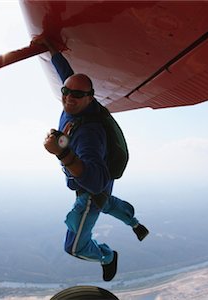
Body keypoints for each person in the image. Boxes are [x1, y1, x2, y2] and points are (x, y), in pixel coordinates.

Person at [33, 36, 149, 282]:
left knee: (74, 246)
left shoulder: (88, 133)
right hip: (105, 179)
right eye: (66, 92)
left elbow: (94, 182)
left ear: (89, 97)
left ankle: (107, 256)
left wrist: (61, 152)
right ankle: (135, 223)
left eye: (76, 94)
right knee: (106, 201)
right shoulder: (82, 103)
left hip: (88, 191)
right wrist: (53, 52)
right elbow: (68, 76)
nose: (68, 98)